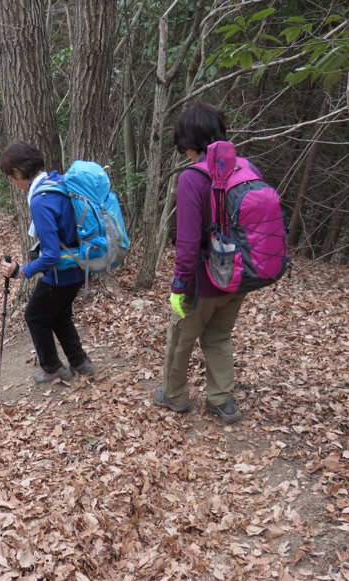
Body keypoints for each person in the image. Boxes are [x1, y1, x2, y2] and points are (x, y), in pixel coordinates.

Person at [154, 102, 252, 424]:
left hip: (203, 282)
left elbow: (186, 244)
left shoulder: (192, 178)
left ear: (188, 142)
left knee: (181, 338)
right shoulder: (247, 170)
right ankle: (222, 400)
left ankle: (174, 395)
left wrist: (178, 286)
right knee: (219, 337)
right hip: (241, 277)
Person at [0, 141, 95, 384]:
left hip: (60, 273)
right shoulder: (59, 183)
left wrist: (21, 271)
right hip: (80, 266)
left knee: (35, 316)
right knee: (60, 315)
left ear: (18, 172)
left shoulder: (40, 200)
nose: (13, 183)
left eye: (11, 177)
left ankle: (53, 367)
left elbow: (50, 254)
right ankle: (81, 362)